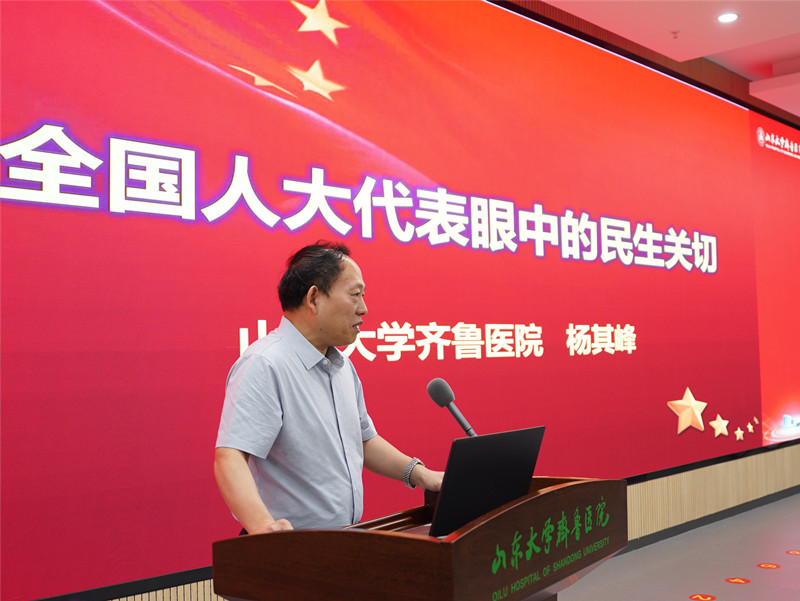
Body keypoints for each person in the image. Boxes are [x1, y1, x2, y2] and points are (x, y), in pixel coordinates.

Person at [214, 241, 443, 534]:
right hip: (287, 544)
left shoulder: (342, 366)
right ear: (314, 298)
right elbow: (230, 457)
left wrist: (420, 475)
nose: (364, 308)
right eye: (355, 295)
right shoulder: (265, 363)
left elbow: (363, 440)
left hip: (343, 538)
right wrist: (263, 527)